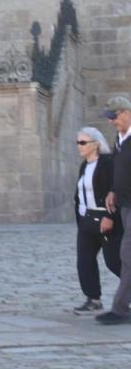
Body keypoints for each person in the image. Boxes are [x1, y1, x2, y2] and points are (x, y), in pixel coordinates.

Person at [72, 126, 122, 314]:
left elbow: (115, 191)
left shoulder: (108, 163)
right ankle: (93, 299)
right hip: (87, 220)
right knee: (84, 260)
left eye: (83, 142)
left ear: (96, 144)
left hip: (106, 219)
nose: (79, 146)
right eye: (78, 142)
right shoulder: (84, 165)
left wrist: (110, 216)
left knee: (114, 261)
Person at [98, 96, 131, 325]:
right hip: (125, 205)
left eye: (114, 116)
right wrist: (113, 190)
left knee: (127, 255)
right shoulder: (120, 139)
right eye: (109, 117)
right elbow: (121, 172)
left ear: (127, 112)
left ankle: (119, 309)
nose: (111, 121)